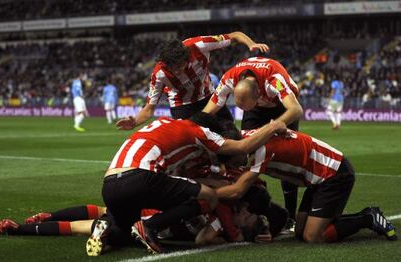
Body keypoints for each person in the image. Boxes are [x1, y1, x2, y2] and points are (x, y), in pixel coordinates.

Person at [87, 112, 286, 256]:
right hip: (140, 178)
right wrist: (273, 126)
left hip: (110, 185)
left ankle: (105, 227)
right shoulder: (200, 132)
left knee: (125, 233)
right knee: (209, 196)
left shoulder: (164, 122)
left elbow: (178, 176)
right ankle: (149, 226)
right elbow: (243, 146)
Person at [215, 129, 397, 243]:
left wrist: (201, 191)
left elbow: (238, 190)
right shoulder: (244, 137)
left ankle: (367, 217)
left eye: (231, 161)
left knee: (313, 237)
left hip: (333, 173)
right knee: (300, 232)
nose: (231, 167)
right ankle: (330, 220)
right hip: (317, 178)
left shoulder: (260, 150)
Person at [203, 56, 303, 231]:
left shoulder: (274, 79)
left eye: (244, 107)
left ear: (258, 96)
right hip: (256, 108)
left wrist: (272, 128)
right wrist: (191, 130)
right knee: (241, 155)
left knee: (288, 159)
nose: (241, 111)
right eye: (239, 106)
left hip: (283, 107)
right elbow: (208, 111)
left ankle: (290, 216)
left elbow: (296, 109)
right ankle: (244, 208)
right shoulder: (230, 78)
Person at [115, 32, 269, 131]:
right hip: (183, 108)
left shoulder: (199, 45)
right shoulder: (160, 73)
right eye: (171, 67)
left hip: (209, 98)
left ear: (186, 57)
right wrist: (134, 121)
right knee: (195, 147)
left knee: (230, 134)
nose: (175, 71)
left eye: (178, 67)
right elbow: (149, 108)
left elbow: (235, 35)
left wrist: (251, 44)